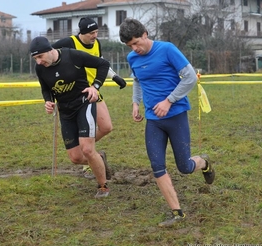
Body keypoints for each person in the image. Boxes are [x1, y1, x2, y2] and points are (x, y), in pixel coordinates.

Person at [119, 18, 215, 227]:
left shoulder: (167, 49)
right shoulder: (132, 57)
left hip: (176, 115)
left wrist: (169, 101)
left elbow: (189, 78)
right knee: (157, 165)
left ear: (145, 33)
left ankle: (204, 162)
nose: (135, 49)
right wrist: (136, 102)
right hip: (153, 120)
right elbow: (137, 80)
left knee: (185, 167)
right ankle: (177, 213)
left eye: (137, 42)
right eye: (130, 46)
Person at [30, 36, 111, 198]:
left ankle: (103, 186)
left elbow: (103, 64)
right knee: (75, 158)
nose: (38, 62)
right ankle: (99, 158)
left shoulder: (73, 56)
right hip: (65, 111)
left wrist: (95, 87)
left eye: (40, 57)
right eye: (35, 58)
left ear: (50, 50)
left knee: (87, 149)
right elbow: (46, 88)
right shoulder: (40, 68)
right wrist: (48, 101)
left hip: (84, 104)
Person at [53, 17, 126, 179]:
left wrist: (115, 77)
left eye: (96, 32)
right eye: (92, 33)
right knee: (85, 142)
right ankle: (90, 161)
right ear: (82, 33)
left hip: (94, 91)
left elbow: (100, 63)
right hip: (77, 96)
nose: (95, 35)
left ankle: (88, 151)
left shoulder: (97, 43)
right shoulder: (69, 43)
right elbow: (49, 56)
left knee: (106, 127)